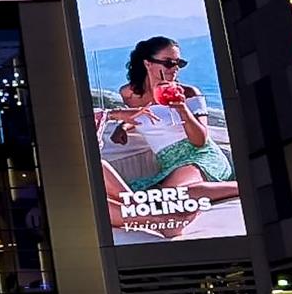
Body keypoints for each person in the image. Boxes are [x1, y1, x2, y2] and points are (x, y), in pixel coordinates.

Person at [98, 36, 239, 235]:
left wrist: (182, 109)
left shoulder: (188, 92)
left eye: (179, 63)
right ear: (147, 63)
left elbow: (200, 140)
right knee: (152, 198)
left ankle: (240, 187)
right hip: (168, 163)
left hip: (199, 155)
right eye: (168, 62)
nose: (175, 68)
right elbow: (149, 117)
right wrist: (124, 125)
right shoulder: (130, 94)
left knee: (172, 195)